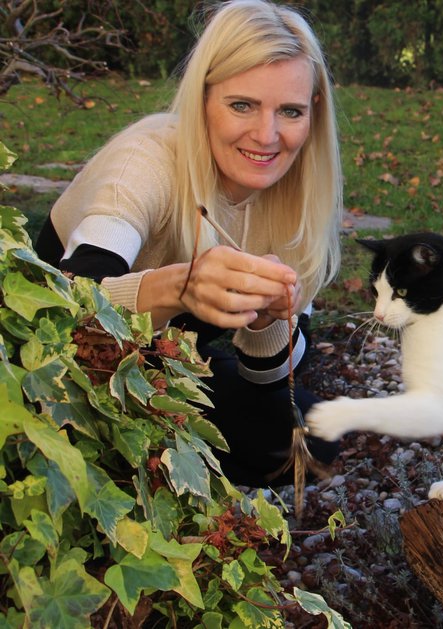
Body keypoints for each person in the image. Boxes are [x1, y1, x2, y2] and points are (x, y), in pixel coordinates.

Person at [35, 0, 342, 486]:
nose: (267, 136)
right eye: (241, 105)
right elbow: (69, 298)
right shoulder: (147, 160)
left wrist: (266, 323)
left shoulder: (298, 200)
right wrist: (178, 288)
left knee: (306, 436)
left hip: (164, 366)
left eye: (290, 111)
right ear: (202, 99)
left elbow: (270, 384)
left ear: (313, 114)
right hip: (55, 362)